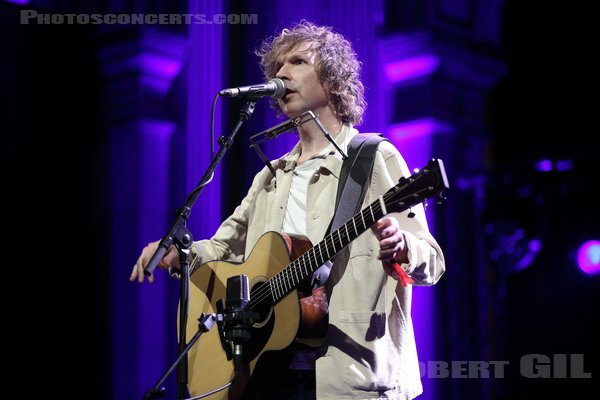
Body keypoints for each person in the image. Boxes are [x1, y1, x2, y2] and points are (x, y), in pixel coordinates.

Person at [131, 20, 445, 400]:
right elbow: (222, 248)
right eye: (278, 66)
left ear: (332, 80)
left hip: (348, 376)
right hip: (267, 373)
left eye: (297, 62)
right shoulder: (272, 177)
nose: (281, 73)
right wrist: (177, 253)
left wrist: (404, 248)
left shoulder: (373, 158)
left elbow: (432, 260)